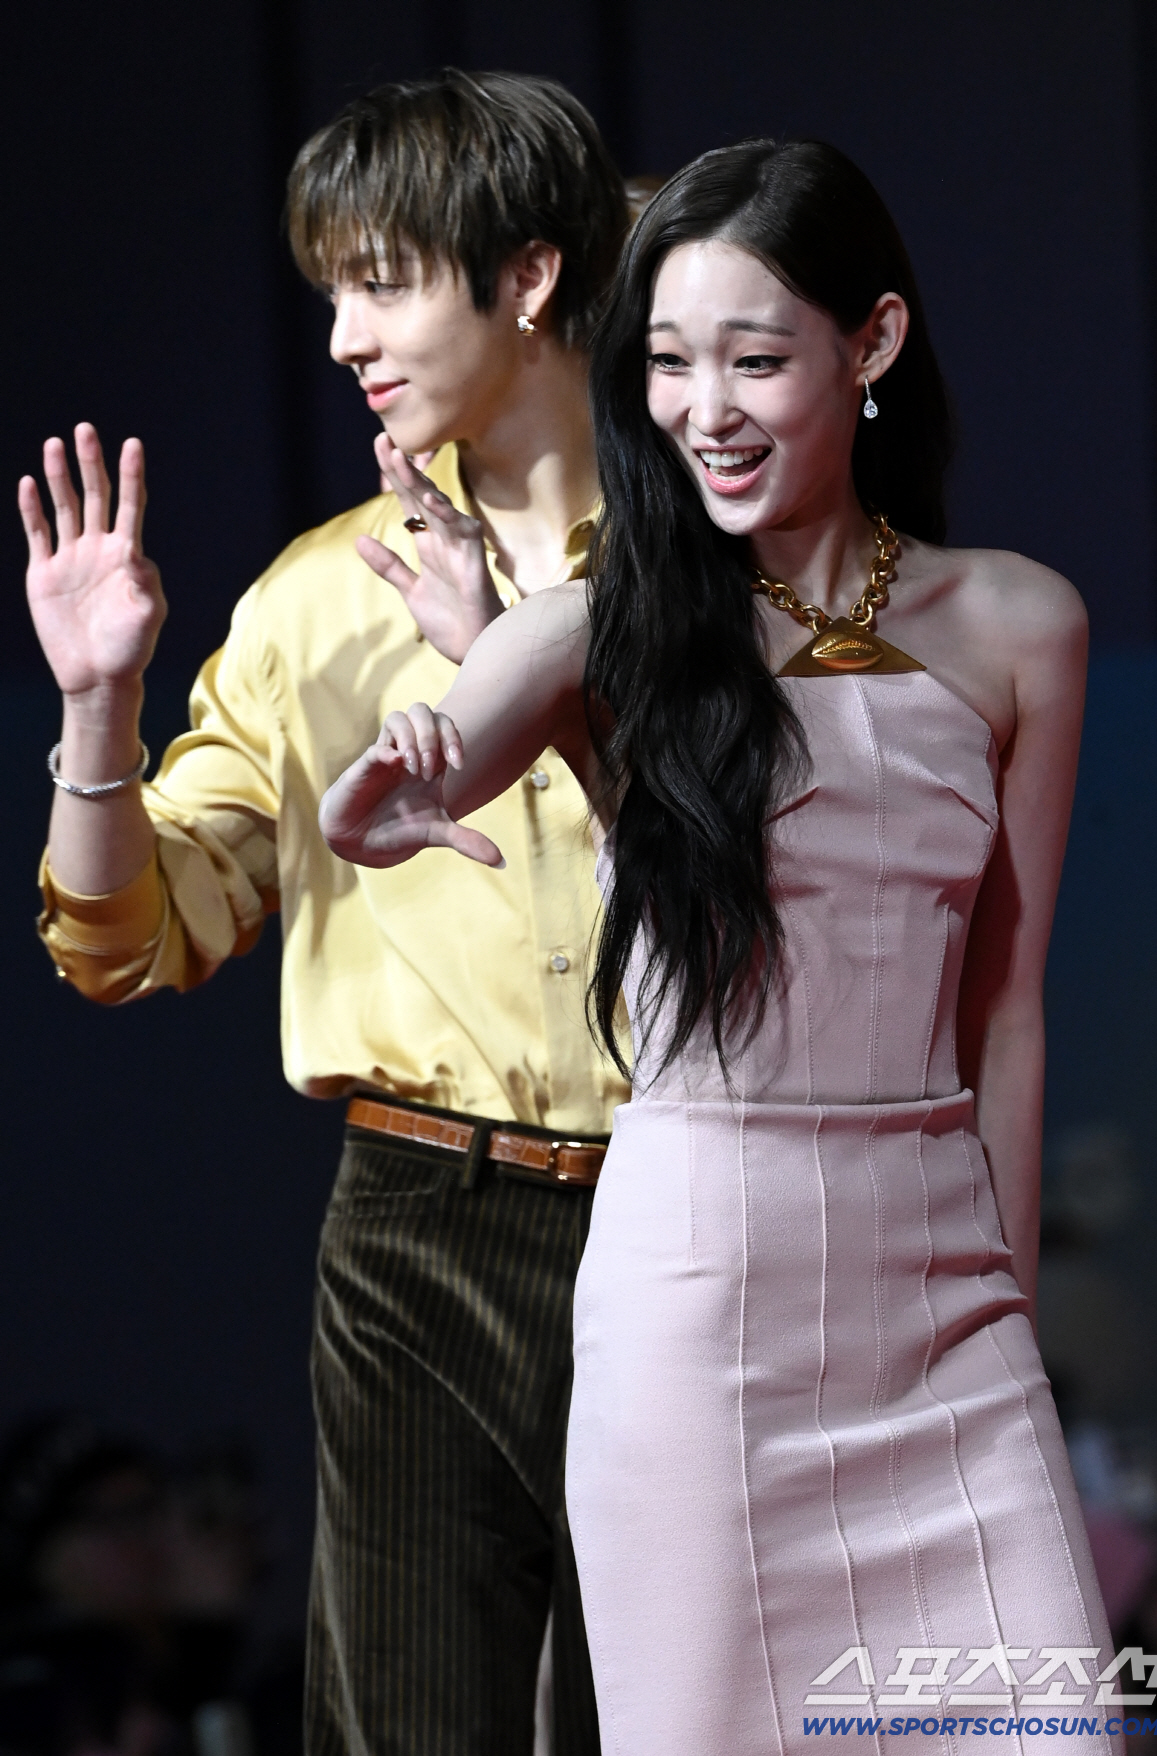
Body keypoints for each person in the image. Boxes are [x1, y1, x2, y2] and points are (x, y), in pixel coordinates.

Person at [317, 139, 1122, 1753]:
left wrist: (1013, 1331)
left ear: (870, 343)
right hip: (702, 1305)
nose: (707, 409)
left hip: (949, 1321)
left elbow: (1009, 1016)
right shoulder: (606, 631)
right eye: (669, 363)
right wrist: (408, 773)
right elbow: (453, 739)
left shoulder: (1023, 625)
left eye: (754, 359)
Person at [19, 71, 630, 1756]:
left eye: (386, 283)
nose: (348, 338)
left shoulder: (714, 575)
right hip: (422, 1233)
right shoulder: (312, 601)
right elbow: (129, 938)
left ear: (527, 276)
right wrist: (98, 706)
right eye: (331, 294)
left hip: (692, 1208)